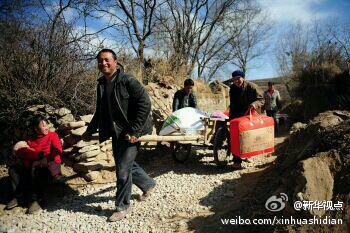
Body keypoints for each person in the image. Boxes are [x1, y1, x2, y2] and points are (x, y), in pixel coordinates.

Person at [82, 48, 156, 222]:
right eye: (100, 61)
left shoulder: (127, 80)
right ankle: (148, 184)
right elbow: (100, 111)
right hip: (117, 132)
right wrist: (90, 130)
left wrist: (135, 130)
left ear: (115, 62)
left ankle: (122, 206)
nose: (103, 63)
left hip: (132, 131)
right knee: (126, 164)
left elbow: (145, 103)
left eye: (107, 60)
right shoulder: (101, 84)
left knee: (122, 170)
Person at [6, 115, 63, 214]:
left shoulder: (52, 135)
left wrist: (45, 158)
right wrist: (35, 156)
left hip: (47, 167)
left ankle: (38, 199)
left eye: (46, 125)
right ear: (36, 129)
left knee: (36, 169)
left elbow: (58, 150)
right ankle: (19, 196)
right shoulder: (31, 140)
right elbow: (23, 151)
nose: (46, 128)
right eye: (43, 126)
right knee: (13, 169)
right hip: (32, 165)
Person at [215, 70, 264, 168]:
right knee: (235, 138)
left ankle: (247, 154)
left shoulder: (252, 87)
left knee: (248, 137)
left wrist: (254, 104)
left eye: (238, 78)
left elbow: (261, 100)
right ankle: (237, 161)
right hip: (236, 115)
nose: (236, 81)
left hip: (249, 115)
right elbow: (233, 103)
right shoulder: (232, 88)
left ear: (243, 78)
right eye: (234, 79)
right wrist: (230, 117)